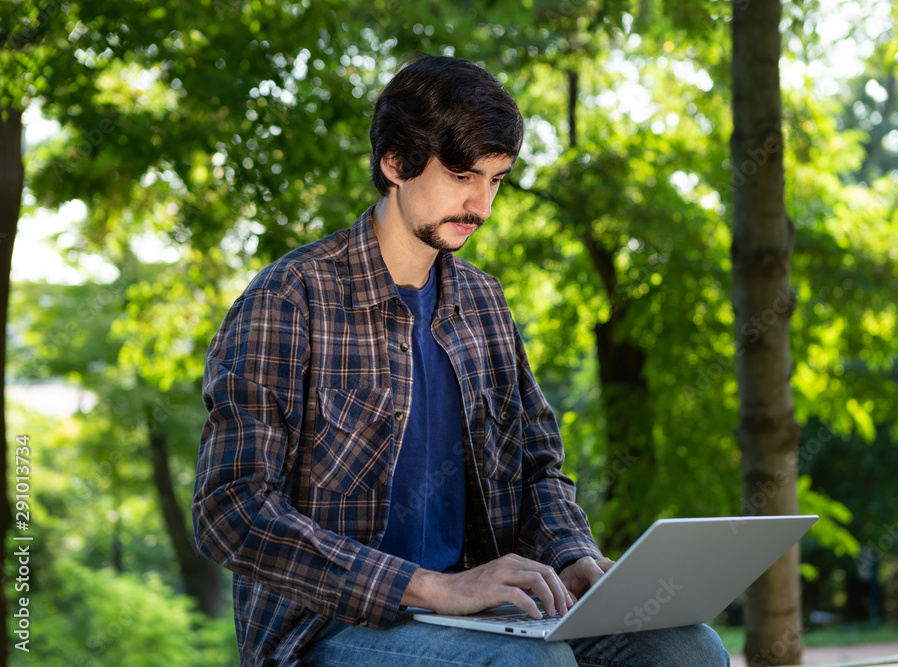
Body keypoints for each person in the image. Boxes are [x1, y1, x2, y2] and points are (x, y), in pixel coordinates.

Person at [192, 53, 729, 666]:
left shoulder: (483, 303)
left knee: (686, 647)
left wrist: (572, 555)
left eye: (495, 179)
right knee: (531, 664)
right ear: (395, 162)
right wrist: (430, 588)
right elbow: (230, 509)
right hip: (327, 627)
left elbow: (536, 469)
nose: (481, 206)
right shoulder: (290, 297)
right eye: (462, 176)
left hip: (482, 611)